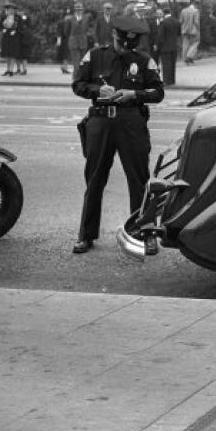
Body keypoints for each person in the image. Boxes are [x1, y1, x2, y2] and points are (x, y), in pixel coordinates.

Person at [70, 15, 164, 254]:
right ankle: (86, 235)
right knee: (94, 179)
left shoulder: (143, 60)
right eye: (123, 44)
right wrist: (97, 89)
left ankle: (143, 233)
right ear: (114, 36)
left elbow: (157, 92)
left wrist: (134, 95)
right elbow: (78, 84)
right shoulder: (95, 55)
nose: (126, 49)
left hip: (131, 122)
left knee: (139, 180)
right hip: (101, 121)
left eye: (130, 46)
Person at [156, 5, 181, 85]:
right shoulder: (176, 21)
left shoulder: (163, 23)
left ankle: (167, 81)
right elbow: (179, 33)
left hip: (165, 47)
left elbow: (160, 36)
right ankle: (172, 80)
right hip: (174, 46)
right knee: (173, 64)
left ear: (163, 13)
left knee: (166, 64)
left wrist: (159, 45)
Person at [0, 3, 23, 76]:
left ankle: (11, 70)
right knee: (7, 54)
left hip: (14, 38)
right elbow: (0, 26)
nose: (10, 11)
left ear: (14, 10)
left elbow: (21, 28)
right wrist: (3, 30)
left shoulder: (18, 18)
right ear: (7, 10)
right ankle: (8, 69)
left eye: (12, 10)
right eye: (9, 10)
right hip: (6, 37)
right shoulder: (4, 17)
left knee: (12, 54)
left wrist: (15, 31)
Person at [180, 0, 201, 65]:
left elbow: (181, 21)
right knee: (195, 43)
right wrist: (198, 29)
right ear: (196, 4)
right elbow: (196, 22)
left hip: (185, 30)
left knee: (185, 44)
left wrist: (182, 28)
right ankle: (189, 56)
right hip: (193, 30)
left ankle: (185, 59)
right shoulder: (196, 11)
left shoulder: (183, 11)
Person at [56, 7, 76, 74]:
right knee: (64, 54)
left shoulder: (71, 22)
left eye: (70, 15)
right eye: (67, 15)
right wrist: (59, 40)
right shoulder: (61, 23)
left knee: (66, 54)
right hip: (64, 40)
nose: (69, 17)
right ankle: (64, 67)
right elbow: (59, 32)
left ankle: (64, 67)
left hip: (69, 40)